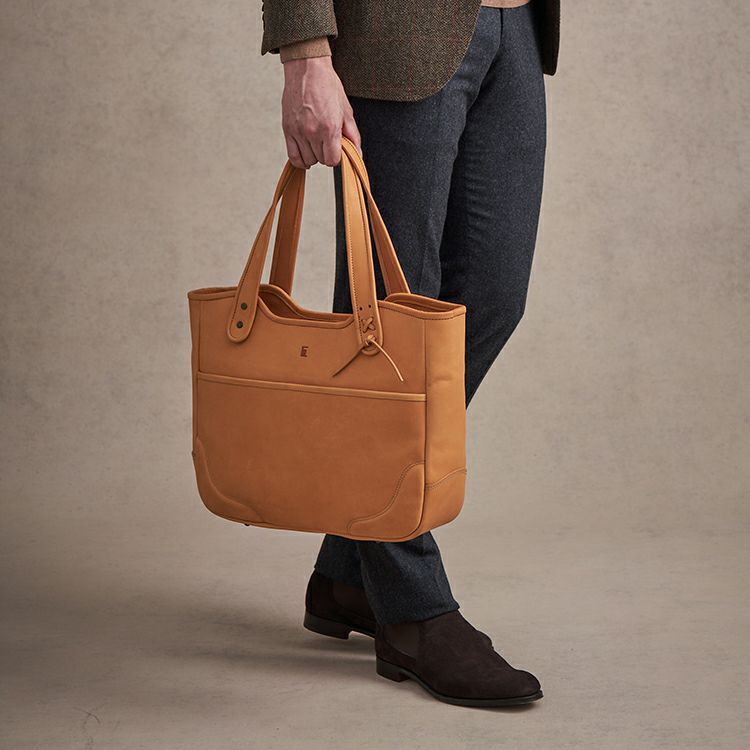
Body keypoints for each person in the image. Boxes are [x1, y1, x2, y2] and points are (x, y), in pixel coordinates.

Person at [260, 0, 560, 707]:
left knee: (490, 299)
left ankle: (347, 572)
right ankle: (413, 611)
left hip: (516, 29)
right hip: (395, 28)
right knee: (387, 329)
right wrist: (305, 52)